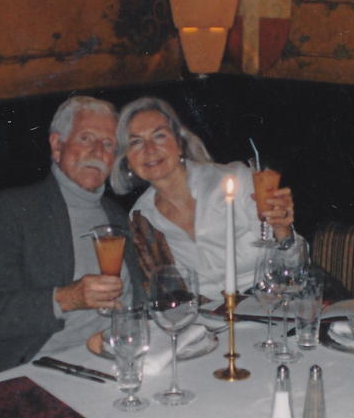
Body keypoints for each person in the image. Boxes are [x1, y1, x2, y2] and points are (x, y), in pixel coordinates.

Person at [0, 96, 144, 379]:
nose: (98, 151)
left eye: (109, 144)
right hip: (44, 368)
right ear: (57, 145)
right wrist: (65, 299)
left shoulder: (117, 216)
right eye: (86, 138)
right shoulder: (15, 209)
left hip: (114, 361)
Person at [110, 97, 296, 301]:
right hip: (205, 318)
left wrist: (283, 231)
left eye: (159, 136)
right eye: (136, 142)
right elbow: (159, 293)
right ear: (127, 160)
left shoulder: (236, 179)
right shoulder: (141, 219)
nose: (149, 149)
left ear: (180, 144)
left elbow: (294, 265)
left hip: (270, 304)